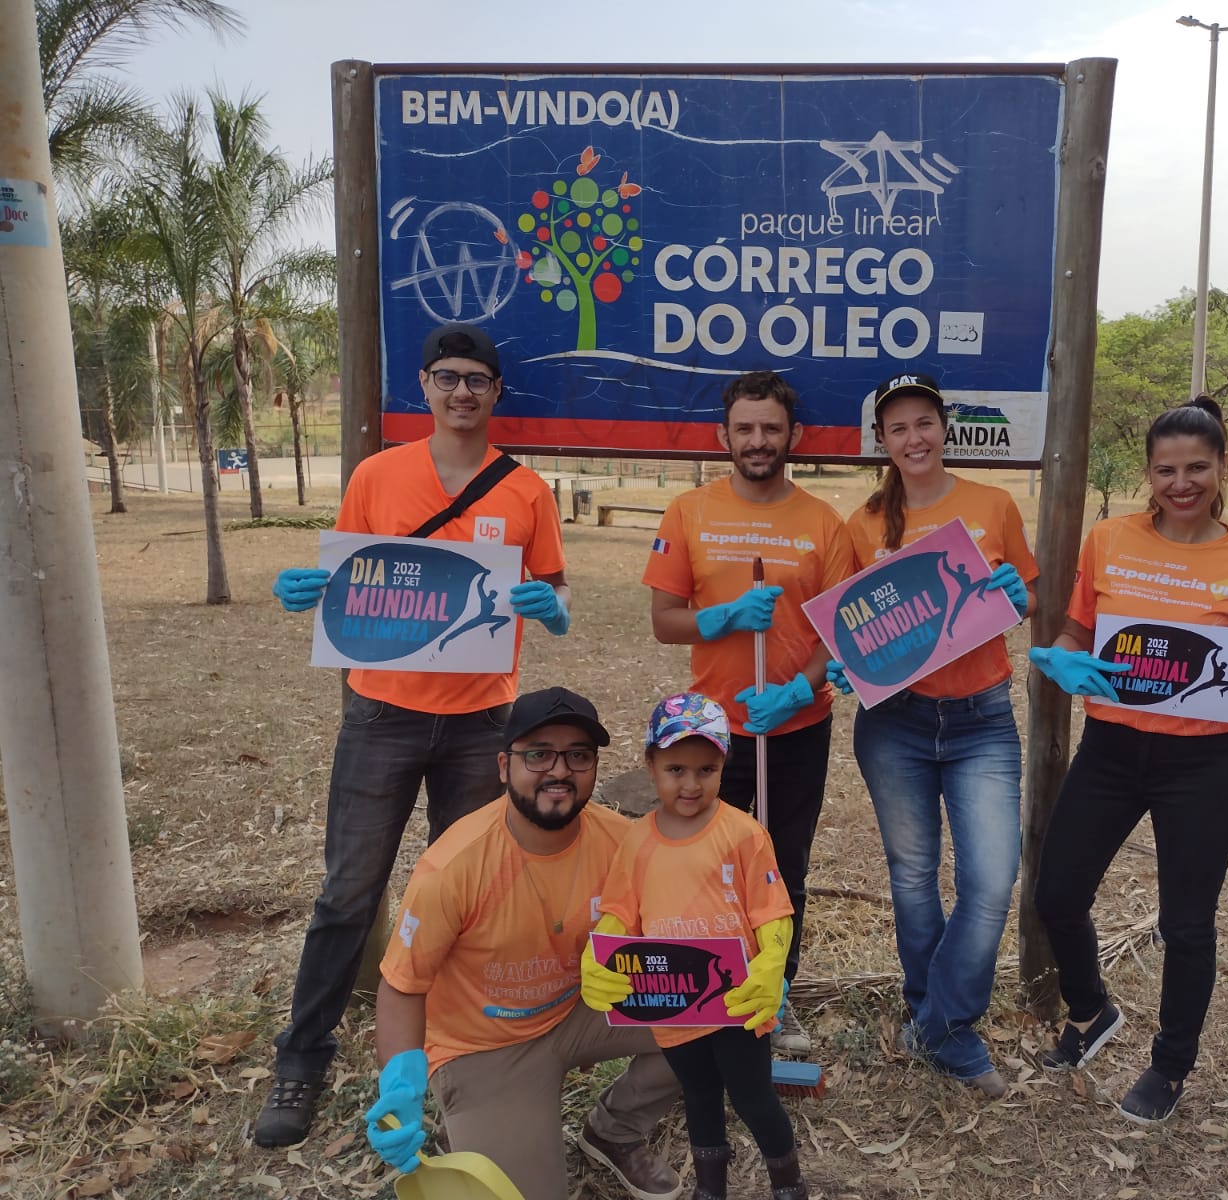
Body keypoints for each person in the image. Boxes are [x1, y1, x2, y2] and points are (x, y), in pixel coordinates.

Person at [259, 322, 573, 1147]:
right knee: (348, 893)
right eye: (447, 377)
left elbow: (553, 593)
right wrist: (308, 590)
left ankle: (453, 1050)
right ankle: (302, 1057)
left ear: (496, 393)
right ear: (425, 387)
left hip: (483, 721)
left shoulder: (526, 492)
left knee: (466, 894)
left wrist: (554, 608)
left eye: (477, 379)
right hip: (382, 713)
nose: (462, 391)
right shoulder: (378, 473)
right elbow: (354, 578)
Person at [1029, 396, 1228, 1124]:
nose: (1182, 483)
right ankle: (1091, 1011)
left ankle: (1170, 1066)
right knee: (1058, 893)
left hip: (1201, 763)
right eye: (1167, 469)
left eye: (1197, 468)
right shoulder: (1110, 539)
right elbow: (1079, 629)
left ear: (1221, 469)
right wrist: (1063, 660)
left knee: (1187, 924)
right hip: (1111, 748)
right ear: (1148, 472)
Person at [364, 687, 682, 1200]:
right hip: (484, 1046)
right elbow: (402, 986)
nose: (559, 770)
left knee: (717, 1023)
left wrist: (733, 977)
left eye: (578, 755)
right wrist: (400, 1084)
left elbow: (665, 929)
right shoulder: (453, 868)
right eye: (538, 754)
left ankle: (614, 1130)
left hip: (581, 1007)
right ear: (503, 766)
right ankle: (484, 1116)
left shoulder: (622, 841)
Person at [830, 371, 1038, 1099]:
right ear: (881, 441)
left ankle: (942, 1021)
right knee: (913, 878)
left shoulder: (994, 504)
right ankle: (937, 1020)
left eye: (924, 422)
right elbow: (851, 627)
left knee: (989, 881)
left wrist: (1020, 597)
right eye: (898, 427)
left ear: (944, 428)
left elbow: (1030, 593)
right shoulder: (861, 524)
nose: (913, 437)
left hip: (982, 718)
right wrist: (844, 660)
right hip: (896, 724)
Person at [642, 370, 853, 1055]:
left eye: (770, 429)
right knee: (704, 862)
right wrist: (725, 616)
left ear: (793, 436)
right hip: (712, 731)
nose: (757, 441)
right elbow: (665, 622)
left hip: (795, 725)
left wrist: (799, 688)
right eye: (745, 429)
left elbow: (836, 633)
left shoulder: (824, 523)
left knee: (780, 864)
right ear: (722, 436)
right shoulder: (689, 512)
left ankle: (776, 992)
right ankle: (706, 988)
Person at [582, 693, 807, 1200]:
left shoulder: (743, 835)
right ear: (650, 764)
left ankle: (789, 1184)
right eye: (676, 768)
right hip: (670, 1001)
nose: (690, 784)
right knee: (699, 1096)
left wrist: (772, 960)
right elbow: (620, 910)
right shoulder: (637, 841)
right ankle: (711, 1188)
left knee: (754, 1097)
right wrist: (599, 953)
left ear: (724, 764)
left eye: (706, 769)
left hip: (735, 1001)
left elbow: (772, 909)